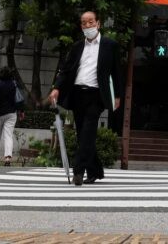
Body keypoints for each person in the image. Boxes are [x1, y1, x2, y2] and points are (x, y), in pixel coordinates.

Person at [49, 10, 124, 186]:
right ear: (81, 26)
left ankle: (78, 171)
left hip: (96, 95)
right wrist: (56, 88)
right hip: (77, 94)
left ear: (98, 23)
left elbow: (117, 72)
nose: (88, 25)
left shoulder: (110, 45)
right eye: (84, 23)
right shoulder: (77, 47)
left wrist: (118, 95)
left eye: (91, 22)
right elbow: (66, 70)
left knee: (88, 131)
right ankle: (95, 171)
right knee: (83, 135)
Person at [0, 68, 24, 166]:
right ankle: (7, 158)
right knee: (8, 135)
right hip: (11, 114)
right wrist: (21, 111)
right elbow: (19, 98)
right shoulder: (14, 85)